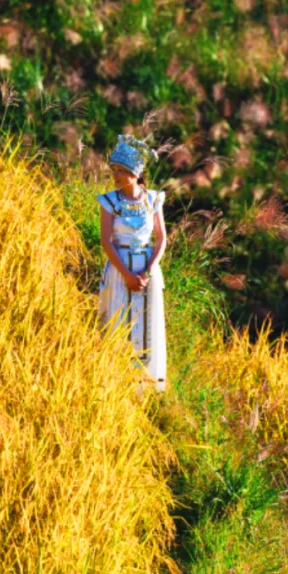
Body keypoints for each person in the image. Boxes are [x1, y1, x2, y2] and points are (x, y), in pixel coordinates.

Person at [97, 133, 167, 392]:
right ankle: (116, 383)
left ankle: (146, 386)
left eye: (121, 171)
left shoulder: (153, 200)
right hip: (120, 268)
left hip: (147, 268)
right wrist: (126, 273)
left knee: (147, 323)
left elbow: (161, 238)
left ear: (136, 174)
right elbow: (107, 241)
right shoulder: (109, 201)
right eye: (114, 170)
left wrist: (148, 270)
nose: (115, 175)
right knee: (119, 321)